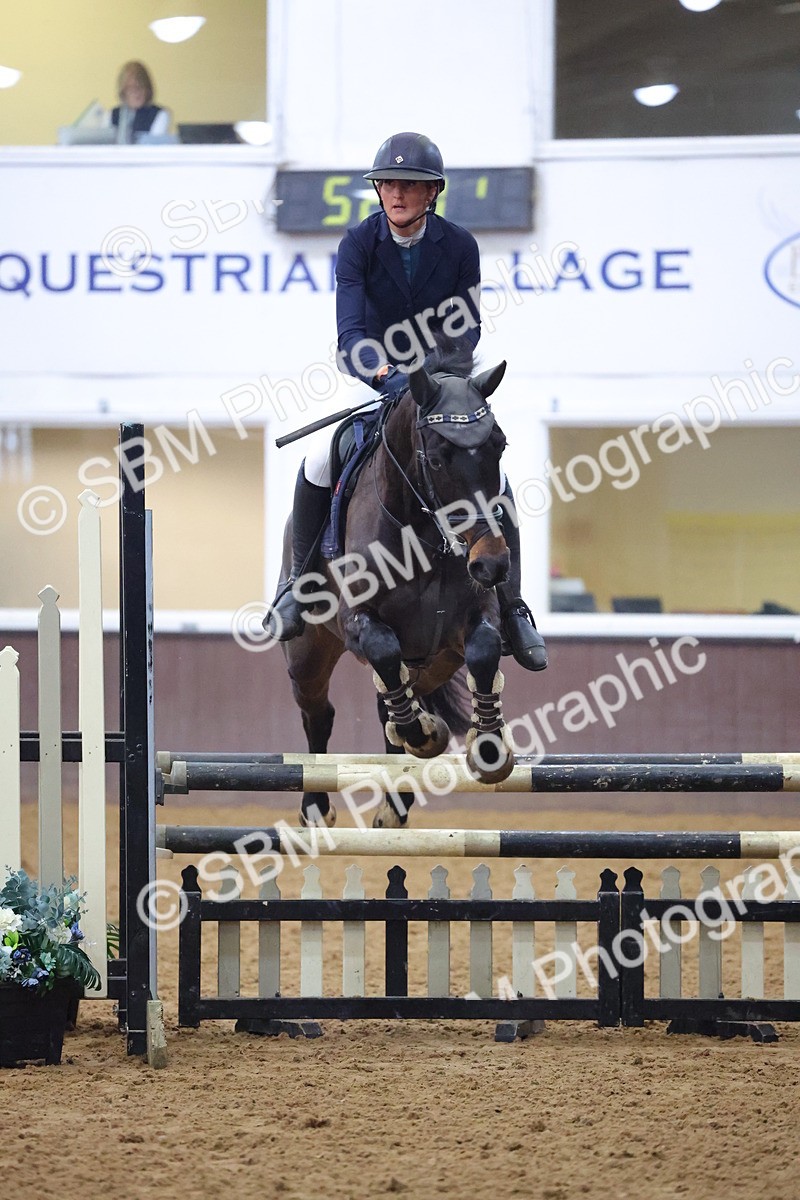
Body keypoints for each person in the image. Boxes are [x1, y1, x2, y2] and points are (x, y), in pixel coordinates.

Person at [265, 131, 547, 671]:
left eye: (409, 185)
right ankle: (297, 585)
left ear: (432, 192)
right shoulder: (357, 244)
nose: (396, 193)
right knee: (320, 458)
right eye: (388, 184)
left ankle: (512, 608)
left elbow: (466, 325)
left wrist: (437, 376)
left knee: (492, 472)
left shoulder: (459, 245)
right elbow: (351, 332)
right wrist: (388, 375)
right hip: (375, 375)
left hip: (442, 378)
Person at [109, 62, 170, 143]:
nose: (136, 93)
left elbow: (152, 145)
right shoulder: (113, 115)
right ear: (123, 91)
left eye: (140, 87)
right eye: (130, 88)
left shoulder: (159, 114)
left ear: (147, 89)